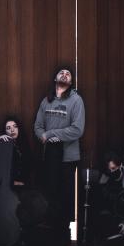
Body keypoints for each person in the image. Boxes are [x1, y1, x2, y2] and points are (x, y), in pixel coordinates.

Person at [34, 66, 85, 226]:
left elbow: (77, 130)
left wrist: (51, 134)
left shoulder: (76, 100)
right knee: (49, 195)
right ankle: (49, 232)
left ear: (71, 82)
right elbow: (37, 127)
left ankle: (63, 232)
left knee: (65, 197)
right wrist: (44, 136)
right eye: (61, 73)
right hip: (49, 155)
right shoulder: (46, 100)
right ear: (55, 79)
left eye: (68, 74)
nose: (64, 75)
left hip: (68, 158)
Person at [0, 116, 32, 189]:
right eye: (8, 128)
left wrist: (24, 182)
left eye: (15, 126)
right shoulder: (4, 145)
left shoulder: (24, 144)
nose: (12, 130)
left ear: (19, 128)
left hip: (25, 184)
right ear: (5, 131)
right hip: (7, 185)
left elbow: (30, 165)